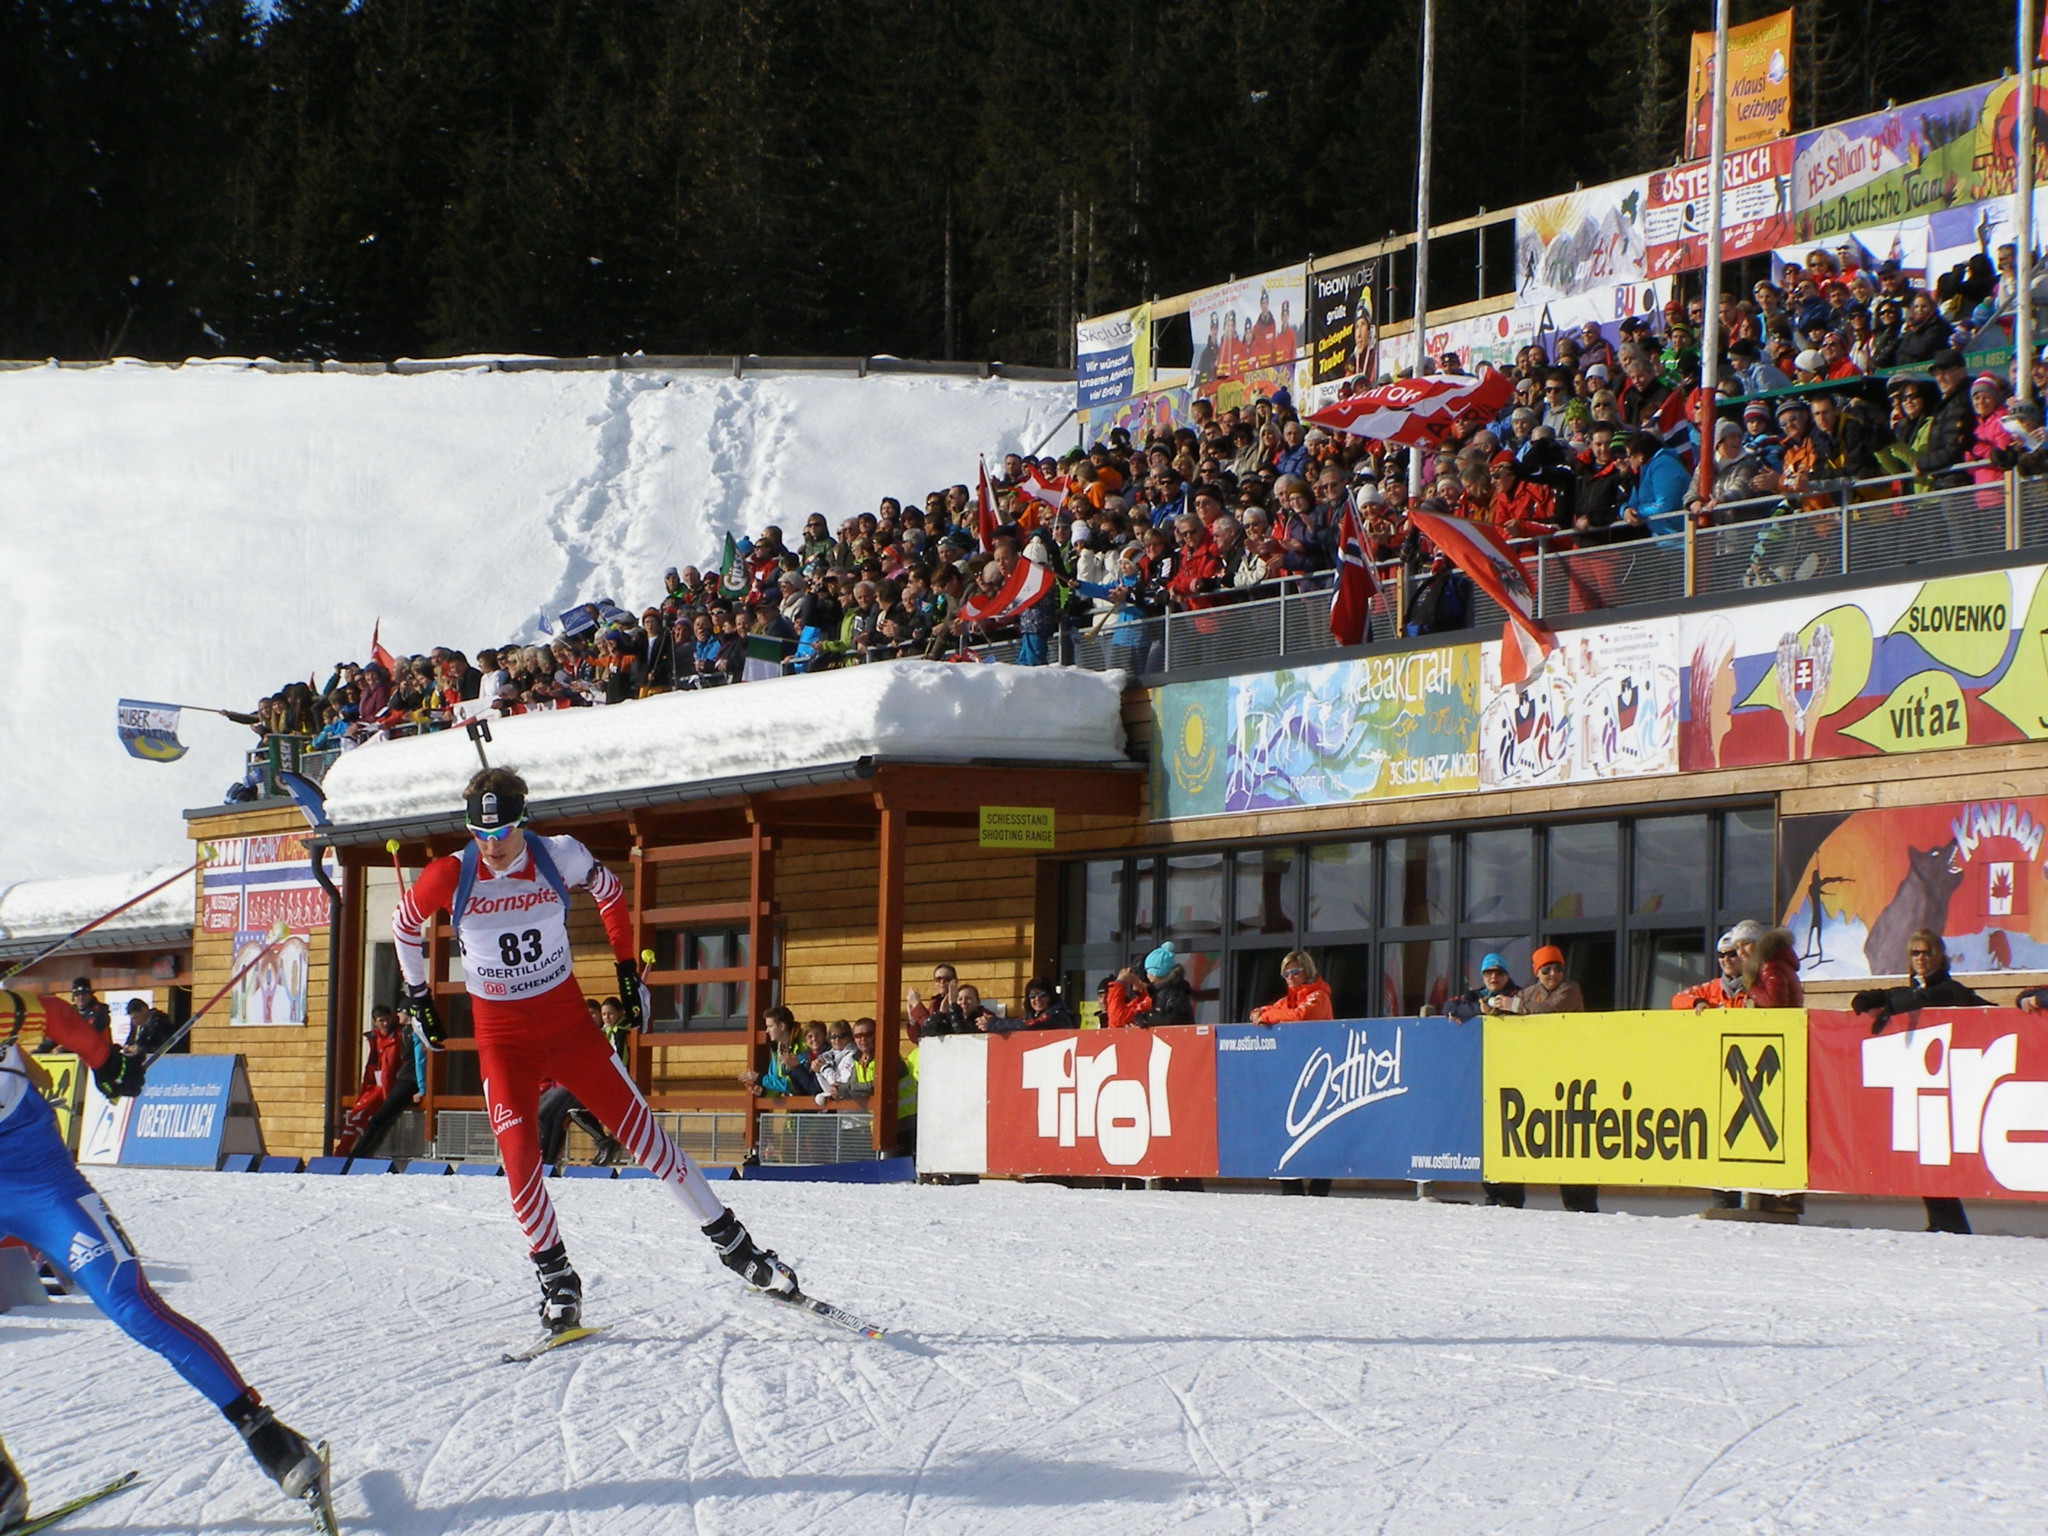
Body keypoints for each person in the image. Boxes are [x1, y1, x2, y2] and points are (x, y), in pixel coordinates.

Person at [394, 766, 798, 1336]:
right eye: (480, 833)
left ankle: (738, 1249)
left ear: (523, 822)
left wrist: (628, 970)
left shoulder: (559, 855)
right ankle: (558, 1279)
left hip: (569, 1028)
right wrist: (418, 996)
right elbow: (404, 924)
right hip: (503, 1041)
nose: (492, 846)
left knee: (647, 1140)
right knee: (518, 1164)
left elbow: (609, 892)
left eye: (503, 832)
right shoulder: (451, 874)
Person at [0, 1001, 330, 1525]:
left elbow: (52, 1017)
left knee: (132, 1308)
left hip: (41, 1182)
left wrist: (107, 1061)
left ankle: (265, 1433)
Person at [1490, 946, 1595, 1213]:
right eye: (1546, 970)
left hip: (1570, 1075)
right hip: (1537, 1074)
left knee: (1573, 1139)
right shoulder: (1529, 992)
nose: (1552, 974)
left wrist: (1513, 1005)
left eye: (1557, 968)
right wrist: (1489, 1007)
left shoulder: (1569, 989)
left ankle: (1579, 1204)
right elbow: (1506, 1007)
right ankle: (1508, 1198)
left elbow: (1549, 1011)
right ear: (1536, 973)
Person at [1249, 950, 1333, 1024]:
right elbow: (1269, 1009)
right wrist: (1258, 1013)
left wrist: (1266, 1017)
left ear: (1307, 971)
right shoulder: (1287, 1001)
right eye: (1286, 974)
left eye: (1295, 972)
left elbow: (1300, 1016)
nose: (1290, 977)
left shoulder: (1320, 996)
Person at [1671, 933, 1748, 1011]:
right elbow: (1677, 999)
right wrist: (1697, 1002)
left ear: (1743, 955)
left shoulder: (1756, 986)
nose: (1726, 959)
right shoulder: (1711, 988)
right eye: (1721, 955)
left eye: (1732, 954)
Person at [1447, 954, 1520, 1022]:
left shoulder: (1519, 994)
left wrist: (1492, 1009)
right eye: (1488, 973)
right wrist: (1479, 1008)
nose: (1493, 977)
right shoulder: (1475, 995)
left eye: (1499, 973)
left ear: (1507, 976)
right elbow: (1449, 1006)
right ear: (1483, 977)